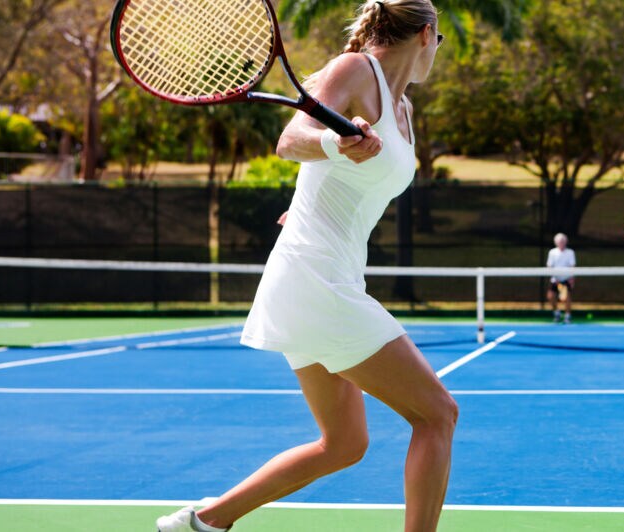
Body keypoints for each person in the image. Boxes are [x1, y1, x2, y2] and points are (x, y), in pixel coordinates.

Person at [156, 2, 454, 531]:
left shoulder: (403, 109)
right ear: (426, 34)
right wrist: (333, 145)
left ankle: (200, 524)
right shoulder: (355, 69)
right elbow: (290, 140)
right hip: (316, 278)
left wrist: (310, 196)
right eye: (441, 41)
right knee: (437, 415)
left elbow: (349, 184)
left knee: (343, 444)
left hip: (319, 275)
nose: (439, 52)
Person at [546, 233, 576, 324]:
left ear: (566, 242)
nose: (561, 243)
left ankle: (567, 316)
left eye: (563, 241)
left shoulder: (570, 252)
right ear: (556, 242)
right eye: (560, 242)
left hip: (566, 279)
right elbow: (549, 266)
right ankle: (557, 313)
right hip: (555, 279)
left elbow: (572, 266)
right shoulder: (552, 252)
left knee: (567, 298)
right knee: (550, 296)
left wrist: (571, 278)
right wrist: (555, 277)